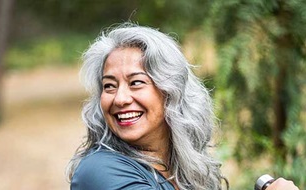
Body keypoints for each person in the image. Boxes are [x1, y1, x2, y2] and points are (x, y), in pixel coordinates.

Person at [66, 23, 299, 190]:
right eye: (109, 86)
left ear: (171, 91)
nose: (120, 98)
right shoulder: (99, 172)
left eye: (136, 82)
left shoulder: (183, 168)